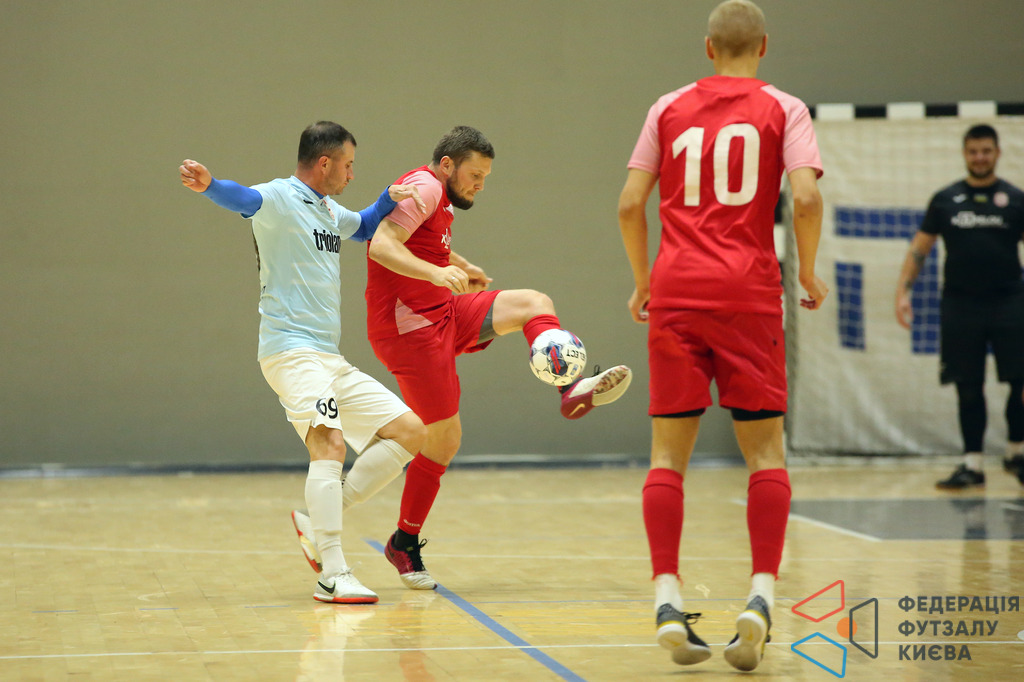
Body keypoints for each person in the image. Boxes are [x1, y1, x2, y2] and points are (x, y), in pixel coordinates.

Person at [291, 125, 634, 590]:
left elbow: (422, 243)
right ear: (448, 165)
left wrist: (459, 264)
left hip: (442, 312)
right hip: (409, 329)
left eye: (486, 178)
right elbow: (383, 245)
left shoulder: (440, 195)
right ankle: (399, 542)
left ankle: (569, 386)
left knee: (533, 303)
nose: (480, 185)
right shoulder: (426, 186)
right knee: (443, 439)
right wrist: (437, 273)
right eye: (476, 175)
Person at [617, 0, 827, 671]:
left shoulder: (667, 107)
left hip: (677, 292)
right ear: (764, 45)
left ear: (708, 48)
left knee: (666, 458)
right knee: (765, 455)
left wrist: (644, 281)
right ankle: (760, 597)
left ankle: (667, 600)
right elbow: (805, 198)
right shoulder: (785, 108)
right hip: (749, 296)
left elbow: (629, 203)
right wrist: (809, 271)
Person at [179, 121, 430, 604]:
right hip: (290, 353)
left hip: (327, 357)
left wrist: (388, 198)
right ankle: (332, 574)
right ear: (325, 162)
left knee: (410, 432)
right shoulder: (278, 197)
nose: (351, 174)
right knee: (329, 445)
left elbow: (365, 226)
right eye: (348, 165)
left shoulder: (328, 208)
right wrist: (210, 186)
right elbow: (242, 198)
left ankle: (318, 521)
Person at [896, 124, 1024, 490]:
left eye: (986, 151)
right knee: (968, 385)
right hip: (961, 304)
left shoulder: (1016, 200)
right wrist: (903, 292)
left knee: (1020, 381)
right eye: (973, 151)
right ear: (965, 154)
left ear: (997, 153)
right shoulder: (945, 200)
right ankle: (972, 464)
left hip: (1010, 301)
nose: (980, 158)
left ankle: (1017, 453)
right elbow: (920, 248)